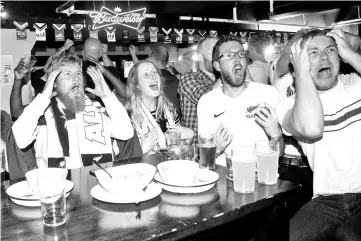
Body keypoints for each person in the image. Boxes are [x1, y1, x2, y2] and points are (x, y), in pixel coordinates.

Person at [276, 29, 361, 240]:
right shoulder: (290, 105)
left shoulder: (356, 82)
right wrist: (302, 72)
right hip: (328, 201)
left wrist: (350, 53)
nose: (324, 56)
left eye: (330, 50)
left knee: (349, 235)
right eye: (313, 52)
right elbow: (312, 128)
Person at [12, 52, 134, 169]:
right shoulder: (41, 112)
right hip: (55, 186)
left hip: (95, 184)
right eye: (67, 74)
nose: (75, 78)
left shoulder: (97, 108)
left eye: (78, 73)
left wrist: (108, 96)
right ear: (54, 82)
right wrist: (43, 97)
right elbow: (21, 139)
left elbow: (126, 133)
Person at [197, 34, 283, 165]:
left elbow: (280, 152)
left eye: (241, 54)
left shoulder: (268, 94)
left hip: (260, 178)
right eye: (230, 56)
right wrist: (217, 148)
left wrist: (276, 135)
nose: (238, 60)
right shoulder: (206, 102)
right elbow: (204, 161)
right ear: (217, 66)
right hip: (223, 180)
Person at [269, 28, 314, 215]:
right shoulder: (282, 73)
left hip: (312, 166)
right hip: (286, 163)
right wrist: (299, 35)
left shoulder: (318, 79)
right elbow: (286, 55)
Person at [124, 60, 193, 155]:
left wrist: (189, 137)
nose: (153, 76)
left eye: (155, 72)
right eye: (146, 74)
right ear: (137, 85)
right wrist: (142, 151)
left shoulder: (170, 109)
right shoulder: (127, 116)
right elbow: (124, 161)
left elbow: (179, 152)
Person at [178, 36, 222, 141]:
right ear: (200, 57)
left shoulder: (222, 81)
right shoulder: (188, 78)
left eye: (220, 50)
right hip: (198, 153)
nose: (219, 55)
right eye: (213, 50)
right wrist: (225, 71)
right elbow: (207, 100)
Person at [129, 45, 181, 116]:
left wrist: (133, 55)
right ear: (166, 61)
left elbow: (139, 73)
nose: (153, 77)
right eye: (146, 74)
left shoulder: (132, 116)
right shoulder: (177, 81)